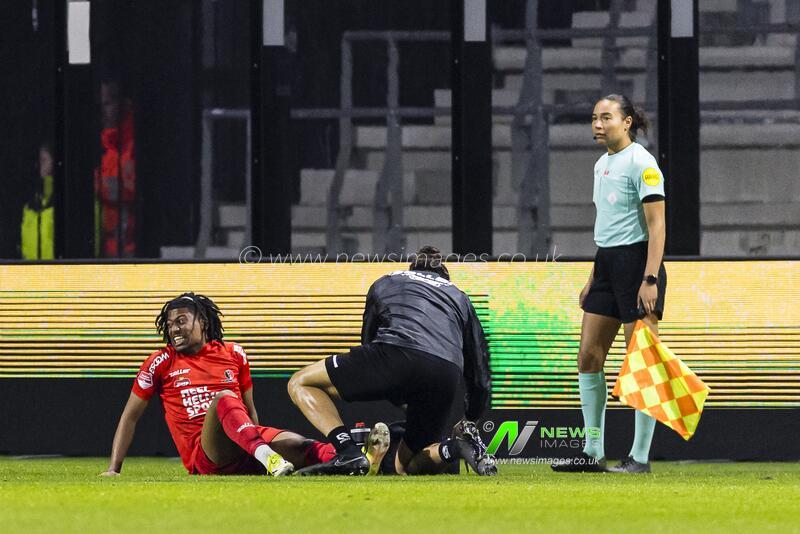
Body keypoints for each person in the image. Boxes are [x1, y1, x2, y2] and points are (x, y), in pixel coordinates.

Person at [100, 292, 384, 477]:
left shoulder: (234, 353)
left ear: (203, 321)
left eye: (181, 321)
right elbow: (130, 417)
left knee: (301, 445)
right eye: (170, 323)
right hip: (206, 455)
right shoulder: (160, 361)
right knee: (223, 398)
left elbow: (249, 412)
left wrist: (258, 443)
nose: (174, 328)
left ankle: (362, 461)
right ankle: (269, 458)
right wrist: (114, 469)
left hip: (245, 443)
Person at [287, 246, 496, 476]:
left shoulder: (387, 281)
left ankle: (348, 452)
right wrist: (470, 419)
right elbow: (480, 373)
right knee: (407, 464)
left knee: (300, 382)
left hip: (395, 352)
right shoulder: (459, 297)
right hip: (445, 372)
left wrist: (394, 389)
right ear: (445, 276)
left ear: (412, 268)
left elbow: (369, 342)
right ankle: (455, 447)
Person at [552, 94, 666, 474]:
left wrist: (649, 279)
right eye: (594, 118)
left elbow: (657, 226)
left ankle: (640, 458)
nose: (597, 124)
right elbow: (607, 227)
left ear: (627, 122)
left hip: (637, 265)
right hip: (606, 264)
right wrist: (593, 275)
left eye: (606, 117)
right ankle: (592, 451)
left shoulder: (643, 163)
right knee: (588, 357)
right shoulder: (601, 164)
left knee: (641, 364)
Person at [95, 79, 137, 258]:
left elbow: (131, 191)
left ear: (123, 104)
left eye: (108, 103)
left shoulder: (133, 147)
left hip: (129, 250)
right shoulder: (104, 147)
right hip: (104, 247)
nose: (103, 110)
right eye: (101, 104)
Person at [20, 143, 54, 260]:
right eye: (38, 161)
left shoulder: (60, 199)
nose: (40, 165)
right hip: (30, 270)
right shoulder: (30, 199)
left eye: (44, 160)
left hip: (55, 270)